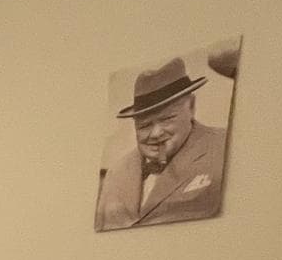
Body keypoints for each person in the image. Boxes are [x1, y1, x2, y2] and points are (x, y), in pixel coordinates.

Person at [95, 55, 228, 231]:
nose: (156, 133)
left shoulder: (222, 147)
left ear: (191, 106)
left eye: (167, 118)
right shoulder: (115, 173)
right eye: (144, 125)